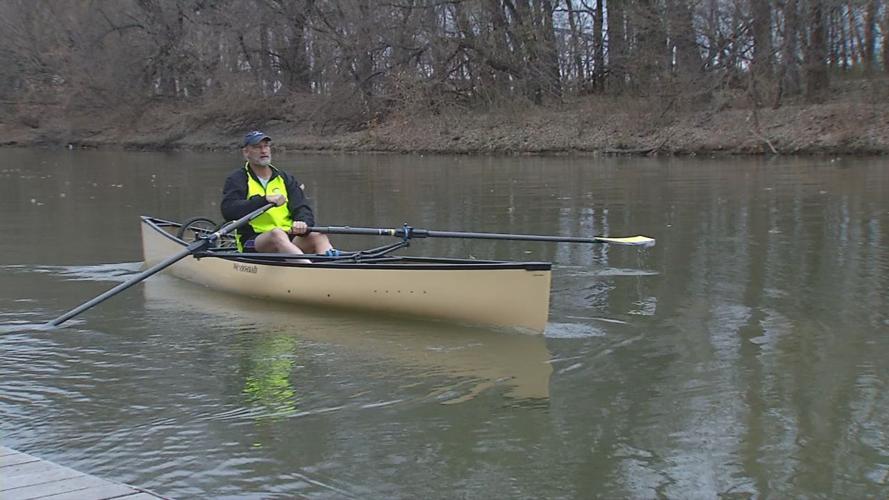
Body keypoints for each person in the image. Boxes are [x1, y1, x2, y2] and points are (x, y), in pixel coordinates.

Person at [221, 130, 337, 258]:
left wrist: (303, 222)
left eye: (266, 146)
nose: (263, 151)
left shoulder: (285, 178)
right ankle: (307, 270)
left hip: (289, 236)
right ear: (246, 152)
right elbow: (228, 210)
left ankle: (333, 267)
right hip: (254, 241)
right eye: (257, 147)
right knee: (277, 234)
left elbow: (302, 208)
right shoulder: (237, 179)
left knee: (317, 234)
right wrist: (264, 200)